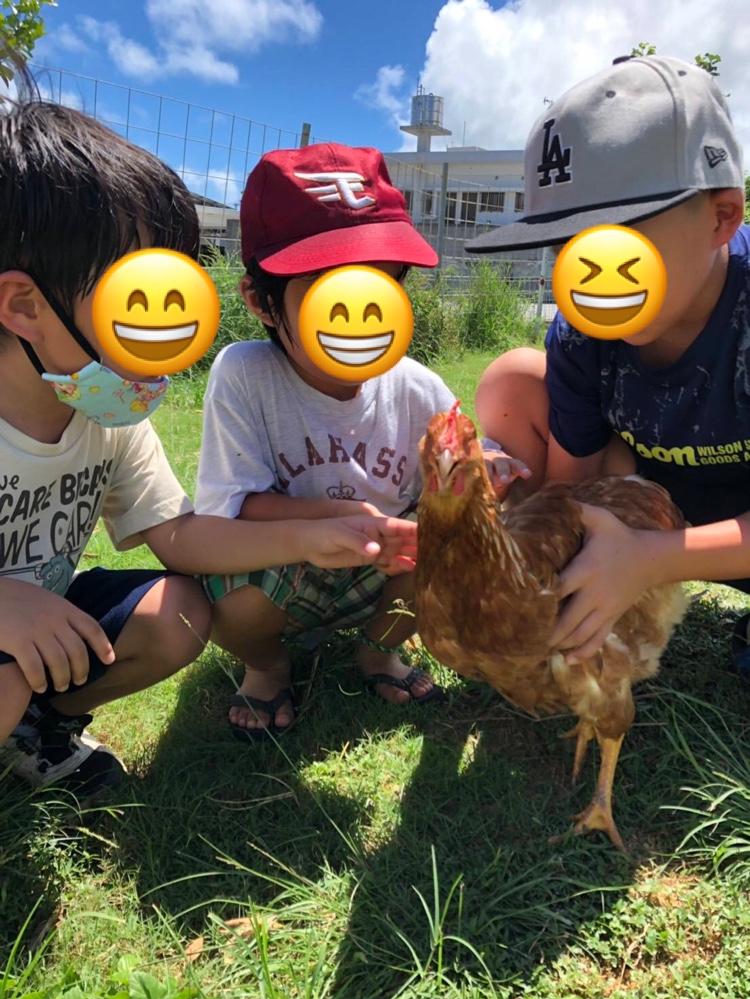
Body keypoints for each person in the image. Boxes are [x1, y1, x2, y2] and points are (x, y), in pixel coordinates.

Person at [0, 97, 419, 792]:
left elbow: (181, 537)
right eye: (137, 303)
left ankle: (37, 724)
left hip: (34, 625)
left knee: (181, 614)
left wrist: (315, 534)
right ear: (24, 306)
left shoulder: (107, 415)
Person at [467, 54, 749, 671]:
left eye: (620, 240)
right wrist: (529, 557)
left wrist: (649, 559)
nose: (592, 278)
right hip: (662, 504)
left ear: (722, 216)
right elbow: (572, 490)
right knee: (513, 379)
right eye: (567, 245)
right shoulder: (583, 333)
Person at [194, 142, 471, 738]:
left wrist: (483, 468)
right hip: (284, 570)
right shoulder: (245, 373)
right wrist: (337, 520)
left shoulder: (418, 386)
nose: (359, 314)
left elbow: (462, 467)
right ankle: (267, 664)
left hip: (383, 573)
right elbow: (232, 508)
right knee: (228, 601)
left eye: (380, 283)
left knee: (451, 552)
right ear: (261, 302)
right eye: (327, 289)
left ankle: (379, 651)